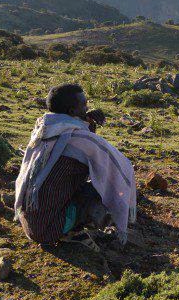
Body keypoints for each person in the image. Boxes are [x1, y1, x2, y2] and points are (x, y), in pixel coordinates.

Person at [14, 83, 136, 251]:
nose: (87, 108)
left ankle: (68, 223)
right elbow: (118, 166)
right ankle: (74, 231)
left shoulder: (44, 128)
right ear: (72, 112)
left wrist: (86, 123)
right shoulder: (80, 137)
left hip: (31, 223)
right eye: (84, 105)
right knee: (113, 186)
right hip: (50, 228)